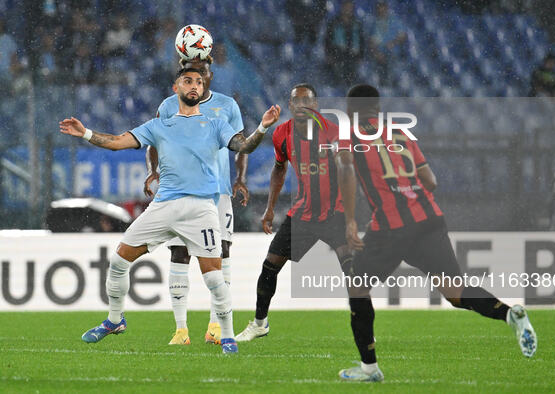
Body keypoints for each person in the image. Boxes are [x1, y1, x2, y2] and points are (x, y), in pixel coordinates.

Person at [59, 67, 281, 354]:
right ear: (176, 87)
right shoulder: (159, 126)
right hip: (163, 206)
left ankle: (226, 336)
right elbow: (116, 142)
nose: (194, 86)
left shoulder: (215, 125)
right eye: (187, 81)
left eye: (199, 82)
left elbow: (244, 146)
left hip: (202, 209)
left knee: (214, 278)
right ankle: (115, 320)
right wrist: (86, 133)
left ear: (202, 90)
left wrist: (262, 127)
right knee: (118, 262)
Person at [335, 85, 537, 382]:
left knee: (357, 286)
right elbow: (431, 180)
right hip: (429, 220)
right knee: (455, 292)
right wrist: (408, 193)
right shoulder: (403, 133)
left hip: (391, 226)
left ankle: (369, 369)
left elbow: (346, 169)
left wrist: (351, 220)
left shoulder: (349, 134)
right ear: (377, 108)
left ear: (351, 110)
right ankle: (509, 314)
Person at [143, 57, 249, 346]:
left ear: (209, 77)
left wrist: (240, 178)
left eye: (201, 73)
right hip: (180, 192)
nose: (196, 77)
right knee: (179, 254)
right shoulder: (168, 106)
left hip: (218, 191)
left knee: (221, 252)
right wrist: (153, 172)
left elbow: (241, 145)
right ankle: (181, 329)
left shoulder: (227, 106)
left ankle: (216, 325)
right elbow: (153, 141)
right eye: (189, 73)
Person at [235, 83, 352, 341]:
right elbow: (279, 169)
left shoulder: (333, 133)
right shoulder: (282, 134)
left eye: (307, 102)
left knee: (352, 271)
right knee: (270, 266)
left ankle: (362, 326)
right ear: (290, 106)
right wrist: (269, 210)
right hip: (304, 214)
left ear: (316, 106)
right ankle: (259, 323)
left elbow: (349, 174)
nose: (301, 107)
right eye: (296, 102)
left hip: (336, 213)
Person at [324, 0, 365, 86]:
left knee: (353, 78)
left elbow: (362, 41)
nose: (347, 9)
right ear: (341, 7)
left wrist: (361, 56)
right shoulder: (333, 22)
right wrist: (329, 54)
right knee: (337, 77)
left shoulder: (357, 23)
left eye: (350, 7)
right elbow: (327, 40)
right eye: (345, 6)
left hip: (353, 56)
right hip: (337, 55)